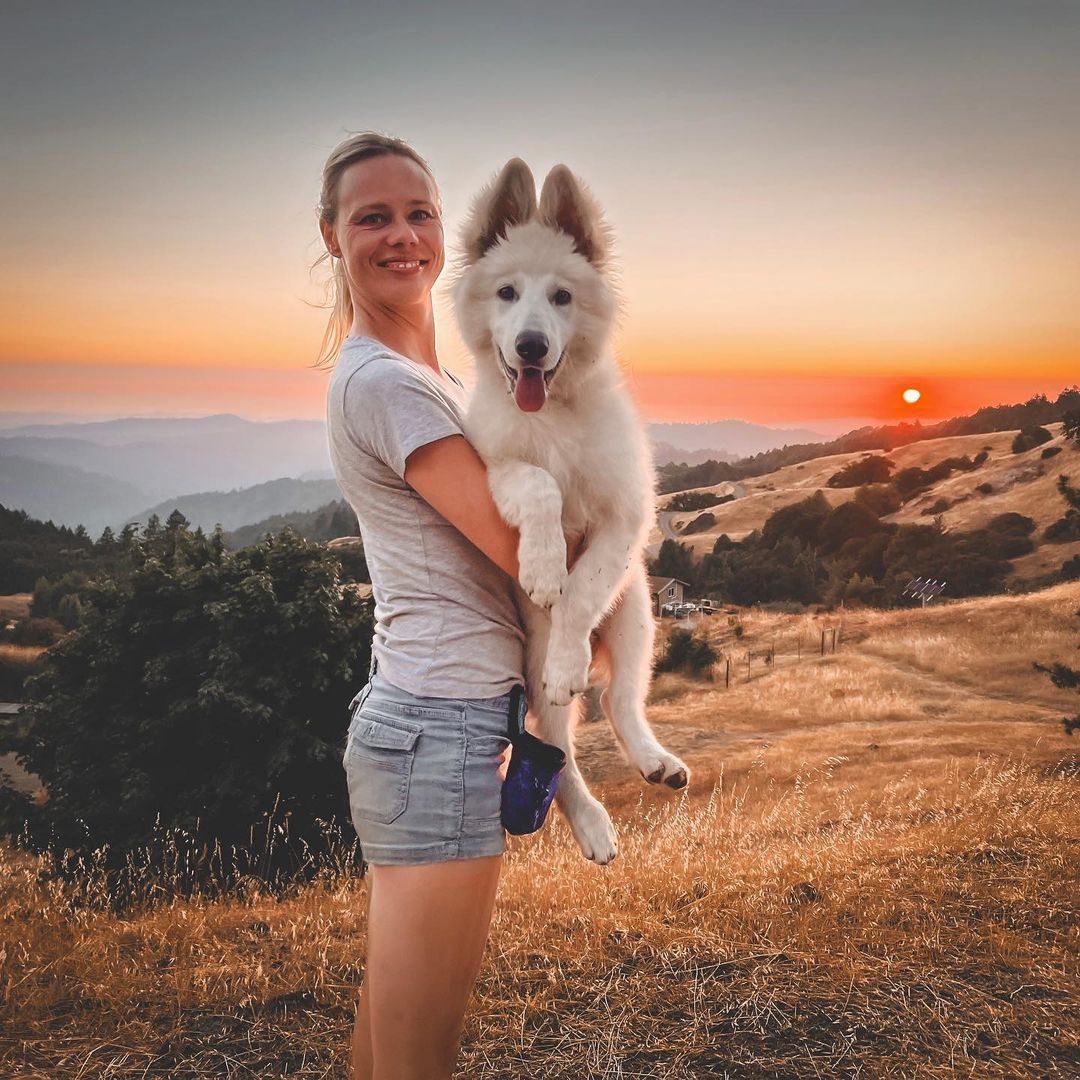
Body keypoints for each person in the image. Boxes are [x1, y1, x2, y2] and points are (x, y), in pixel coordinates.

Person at [316, 132, 587, 1080]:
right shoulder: (392, 386)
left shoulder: (425, 377)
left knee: (390, 1032)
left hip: (424, 720)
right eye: (372, 217)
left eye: (418, 213)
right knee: (419, 1053)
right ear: (333, 236)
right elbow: (524, 555)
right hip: (438, 732)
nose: (402, 235)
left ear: (445, 233)